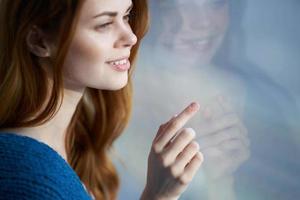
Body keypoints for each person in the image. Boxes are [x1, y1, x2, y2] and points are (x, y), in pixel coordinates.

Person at [0, 0, 204, 199]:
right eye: (104, 24)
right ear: (39, 41)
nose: (131, 37)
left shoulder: (72, 147)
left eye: (126, 16)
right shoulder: (29, 181)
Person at [114, 0, 250, 199]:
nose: (203, 23)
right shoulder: (105, 91)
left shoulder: (234, 93)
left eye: (215, 3)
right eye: (173, 6)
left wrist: (220, 178)